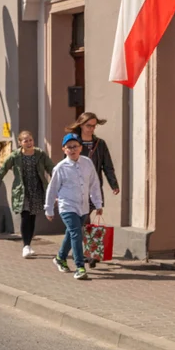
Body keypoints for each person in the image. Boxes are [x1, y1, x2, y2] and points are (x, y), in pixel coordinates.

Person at [45, 132, 102, 280]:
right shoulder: (60, 168)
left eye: (75, 146)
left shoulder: (87, 163)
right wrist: (49, 208)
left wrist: (98, 203)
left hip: (83, 207)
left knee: (71, 233)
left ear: (80, 148)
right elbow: (52, 189)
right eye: (69, 147)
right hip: (67, 206)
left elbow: (94, 184)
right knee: (76, 233)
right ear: (64, 149)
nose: (72, 149)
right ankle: (80, 267)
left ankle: (60, 257)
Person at [67, 112, 119, 268]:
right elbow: (66, 165)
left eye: (94, 125)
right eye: (88, 125)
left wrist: (113, 184)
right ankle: (86, 252)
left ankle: (90, 252)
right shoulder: (73, 142)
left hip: (93, 188)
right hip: (76, 189)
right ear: (81, 125)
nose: (91, 128)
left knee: (87, 218)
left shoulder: (100, 144)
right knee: (81, 220)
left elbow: (107, 165)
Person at [0, 130, 53, 258]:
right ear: (20, 143)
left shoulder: (40, 154)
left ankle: (29, 244)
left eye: (30, 140)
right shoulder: (15, 156)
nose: (29, 143)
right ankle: (26, 246)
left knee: (32, 218)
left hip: (37, 190)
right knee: (25, 216)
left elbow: (51, 168)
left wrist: (58, 186)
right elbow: (2, 171)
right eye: (25, 141)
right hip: (22, 192)